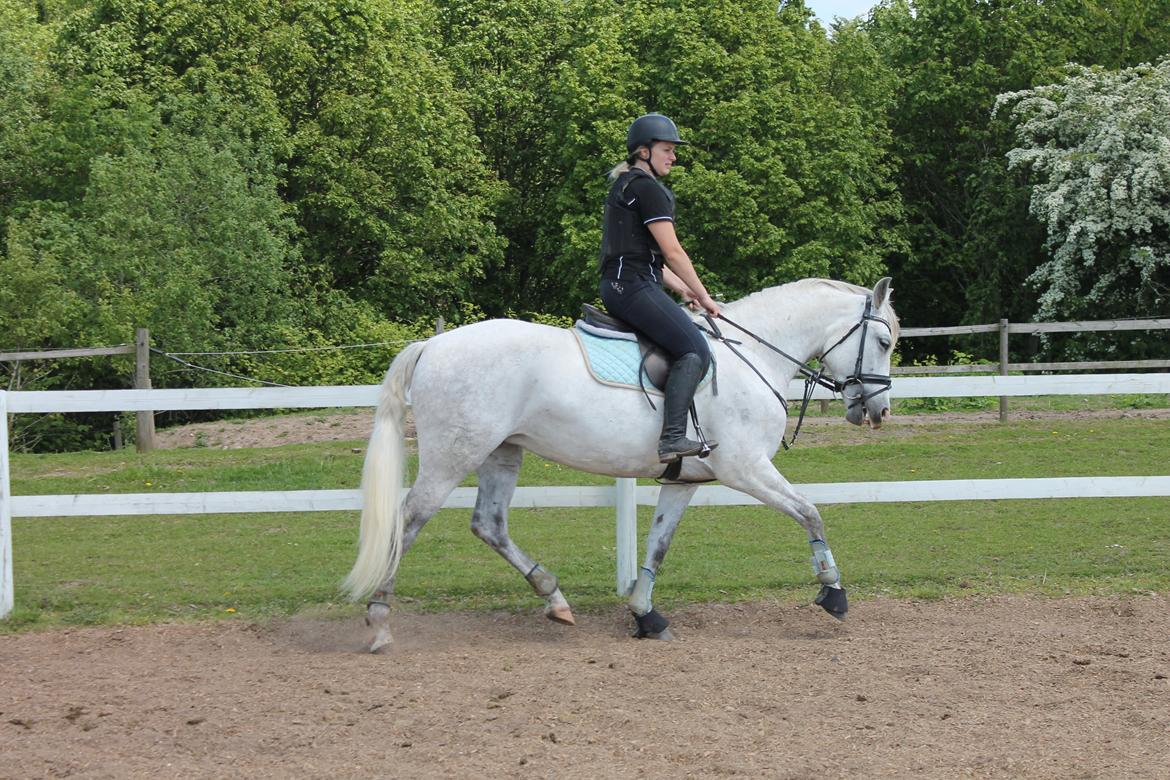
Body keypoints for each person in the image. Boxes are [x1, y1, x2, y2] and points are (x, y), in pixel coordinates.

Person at [598, 112, 721, 463]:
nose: (674, 156)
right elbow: (673, 252)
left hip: (623, 283)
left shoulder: (625, 185)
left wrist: (682, 289)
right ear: (643, 152)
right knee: (694, 349)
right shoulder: (648, 189)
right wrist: (704, 294)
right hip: (632, 287)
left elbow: (644, 255)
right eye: (667, 149)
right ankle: (671, 439)